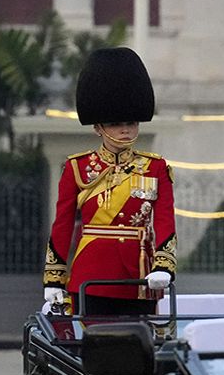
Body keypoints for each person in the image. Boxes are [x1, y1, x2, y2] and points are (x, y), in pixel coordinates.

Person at [43, 47, 174, 316]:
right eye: (115, 124)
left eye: (131, 122)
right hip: (92, 273)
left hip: (140, 275)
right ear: (98, 127)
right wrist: (54, 278)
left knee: (141, 339)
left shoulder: (155, 167)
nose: (125, 130)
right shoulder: (77, 168)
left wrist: (163, 266)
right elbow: (62, 226)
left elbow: (164, 221)